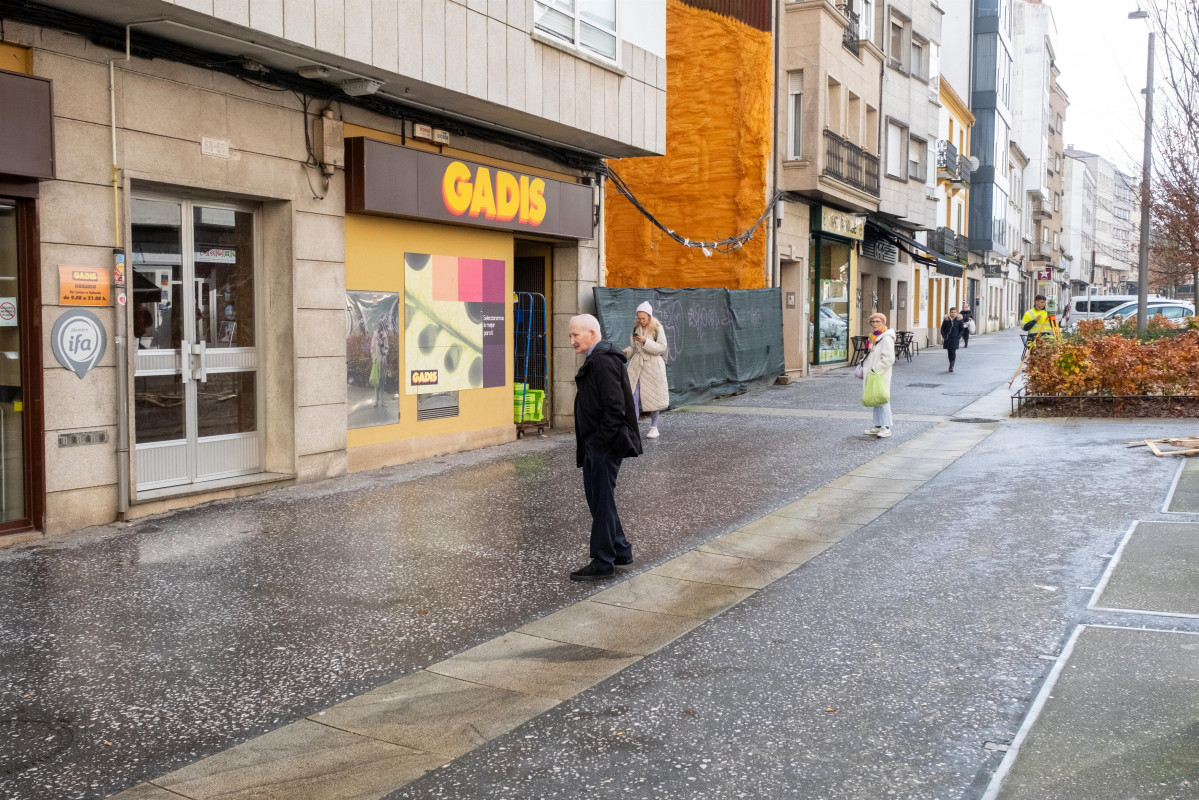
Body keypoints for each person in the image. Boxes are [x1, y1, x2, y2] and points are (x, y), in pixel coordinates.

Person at [569, 314, 642, 581]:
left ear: (591, 333)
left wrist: (599, 444)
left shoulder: (602, 361)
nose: (572, 341)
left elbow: (615, 408)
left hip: (603, 445)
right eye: (570, 335)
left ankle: (603, 561)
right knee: (602, 499)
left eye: (576, 335)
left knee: (600, 500)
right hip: (598, 443)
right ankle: (620, 549)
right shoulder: (599, 358)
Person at [623, 301, 669, 440]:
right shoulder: (636, 328)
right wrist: (625, 352)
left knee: (653, 396)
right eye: (639, 318)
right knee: (633, 395)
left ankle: (654, 427)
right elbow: (633, 347)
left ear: (649, 316)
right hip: (637, 365)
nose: (641, 320)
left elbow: (662, 348)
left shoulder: (657, 328)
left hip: (653, 366)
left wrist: (645, 341)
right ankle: (633, 427)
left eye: (643, 318)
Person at [862, 312, 896, 438]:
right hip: (873, 373)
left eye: (878, 321)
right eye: (873, 321)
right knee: (876, 399)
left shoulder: (886, 338)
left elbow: (889, 359)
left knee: (882, 399)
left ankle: (886, 427)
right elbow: (871, 354)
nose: (875, 324)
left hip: (880, 374)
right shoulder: (874, 337)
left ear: (884, 323)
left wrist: (875, 369)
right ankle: (877, 425)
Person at [370, 318, 389, 408]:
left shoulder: (385, 335)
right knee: (377, 381)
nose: (379, 326)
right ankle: (376, 401)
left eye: (381, 324)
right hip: (377, 361)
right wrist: (374, 359)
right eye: (378, 324)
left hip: (383, 361)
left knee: (382, 382)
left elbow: (387, 347)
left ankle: (382, 401)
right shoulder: (374, 335)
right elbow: (372, 348)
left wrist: (385, 355)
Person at [940, 307, 965, 373]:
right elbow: (942, 329)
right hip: (947, 338)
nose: (953, 313)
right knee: (949, 351)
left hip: (955, 338)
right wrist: (944, 336)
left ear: (956, 313)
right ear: (949, 312)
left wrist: (959, 336)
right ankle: (950, 363)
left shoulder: (959, 320)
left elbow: (962, 330)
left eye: (954, 312)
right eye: (952, 312)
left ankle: (951, 366)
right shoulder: (946, 320)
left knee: (953, 351)